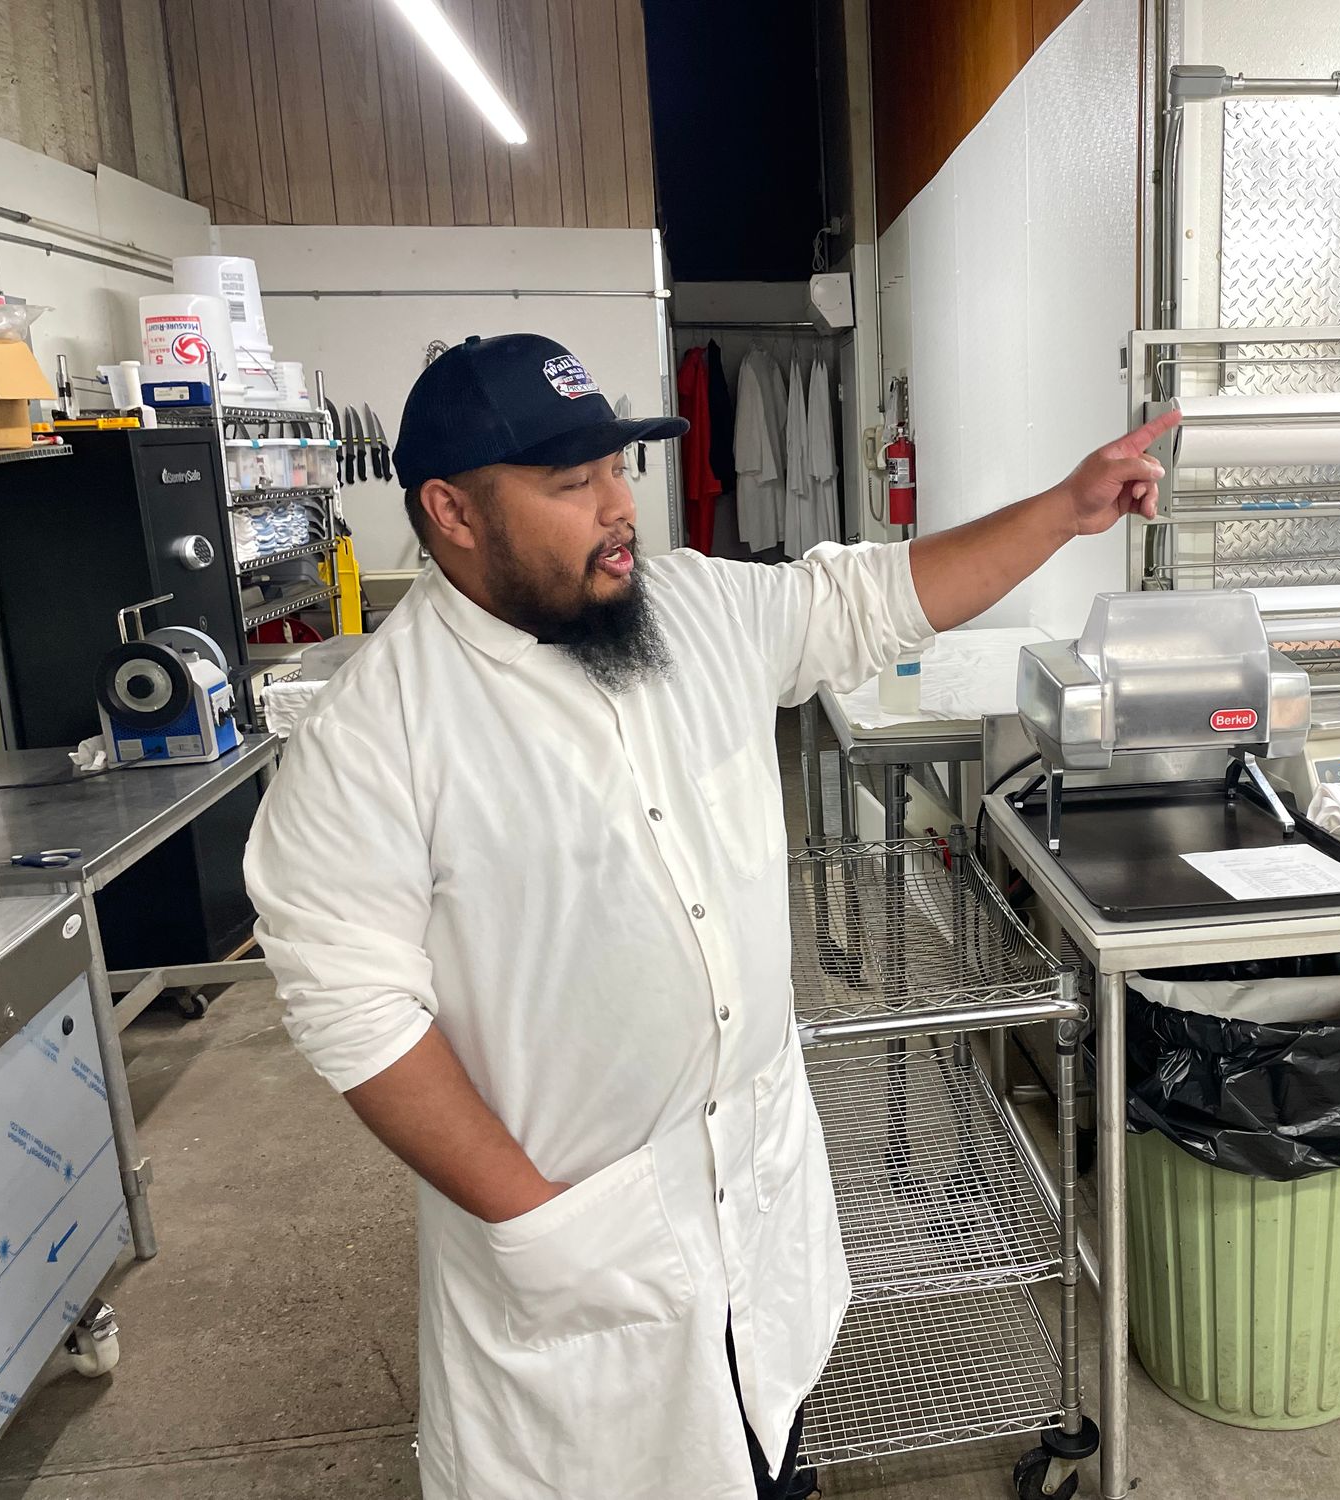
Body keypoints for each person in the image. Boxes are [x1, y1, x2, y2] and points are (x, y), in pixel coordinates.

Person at [244, 333, 1178, 1500]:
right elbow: (354, 1008)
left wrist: (1062, 509)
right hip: (582, 1246)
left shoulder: (691, 610)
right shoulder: (378, 732)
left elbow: (870, 597)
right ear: (453, 513)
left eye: (618, 469)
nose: (617, 507)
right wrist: (538, 1225)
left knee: (768, 1453)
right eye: (570, 482)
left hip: (756, 1204)